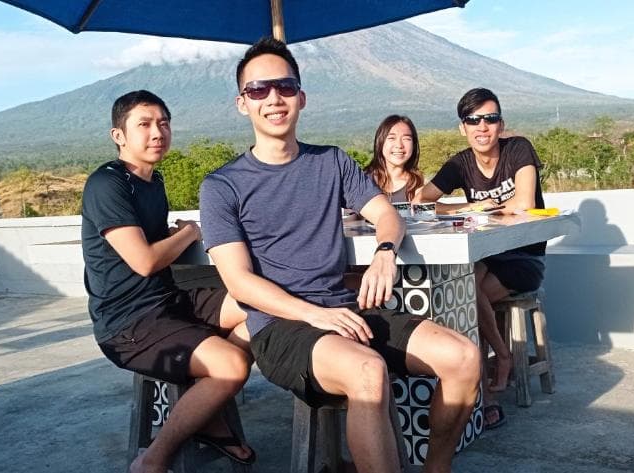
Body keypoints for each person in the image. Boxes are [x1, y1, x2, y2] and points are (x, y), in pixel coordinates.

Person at [200, 38, 480, 473]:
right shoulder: (222, 186)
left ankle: (436, 468)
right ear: (242, 103)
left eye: (285, 86)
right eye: (258, 90)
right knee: (368, 372)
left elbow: (386, 214)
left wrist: (386, 251)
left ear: (302, 97)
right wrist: (315, 315)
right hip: (281, 329)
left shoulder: (332, 162)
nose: (273, 98)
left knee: (463, 357)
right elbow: (238, 282)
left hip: (344, 312)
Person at [81, 90, 255, 473]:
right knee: (230, 366)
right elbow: (143, 261)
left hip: (166, 302)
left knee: (258, 307)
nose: (157, 132)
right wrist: (189, 233)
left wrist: (175, 234)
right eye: (144, 124)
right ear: (118, 135)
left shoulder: (152, 181)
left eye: (163, 123)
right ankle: (153, 459)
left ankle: (204, 406)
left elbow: (153, 246)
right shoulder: (106, 185)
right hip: (127, 323)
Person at [417, 87, 547, 429]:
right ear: (463, 127)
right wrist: (470, 207)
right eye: (473, 120)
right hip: (485, 255)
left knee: (461, 298)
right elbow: (422, 201)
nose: (482, 126)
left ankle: (494, 364)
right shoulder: (460, 163)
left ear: (501, 124)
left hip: (523, 255)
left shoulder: (518, 149)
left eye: (490, 119)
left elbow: (525, 202)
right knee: (460, 288)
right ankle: (489, 367)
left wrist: (484, 210)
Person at [365, 114, 425, 203]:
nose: (399, 145)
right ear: (380, 142)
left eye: (406, 139)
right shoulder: (364, 181)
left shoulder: (417, 183)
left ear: (414, 144)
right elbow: (351, 215)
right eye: (392, 138)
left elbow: (427, 205)